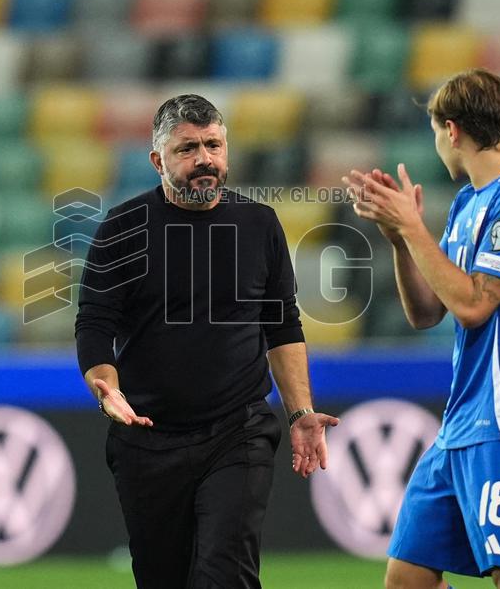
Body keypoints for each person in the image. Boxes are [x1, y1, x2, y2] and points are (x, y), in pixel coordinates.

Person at [75, 94, 339, 589]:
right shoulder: (122, 228)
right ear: (158, 161)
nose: (205, 159)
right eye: (187, 148)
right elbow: (94, 324)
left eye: (213, 145)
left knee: (225, 575)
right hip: (147, 440)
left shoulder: (259, 224)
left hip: (238, 431)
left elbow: (283, 325)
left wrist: (300, 413)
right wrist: (106, 387)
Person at [344, 69, 500, 589]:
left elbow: (473, 305)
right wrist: (400, 239)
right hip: (461, 423)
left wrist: (413, 227)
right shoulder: (469, 203)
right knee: (407, 578)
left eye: (434, 132)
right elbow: (427, 311)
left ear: (451, 129)